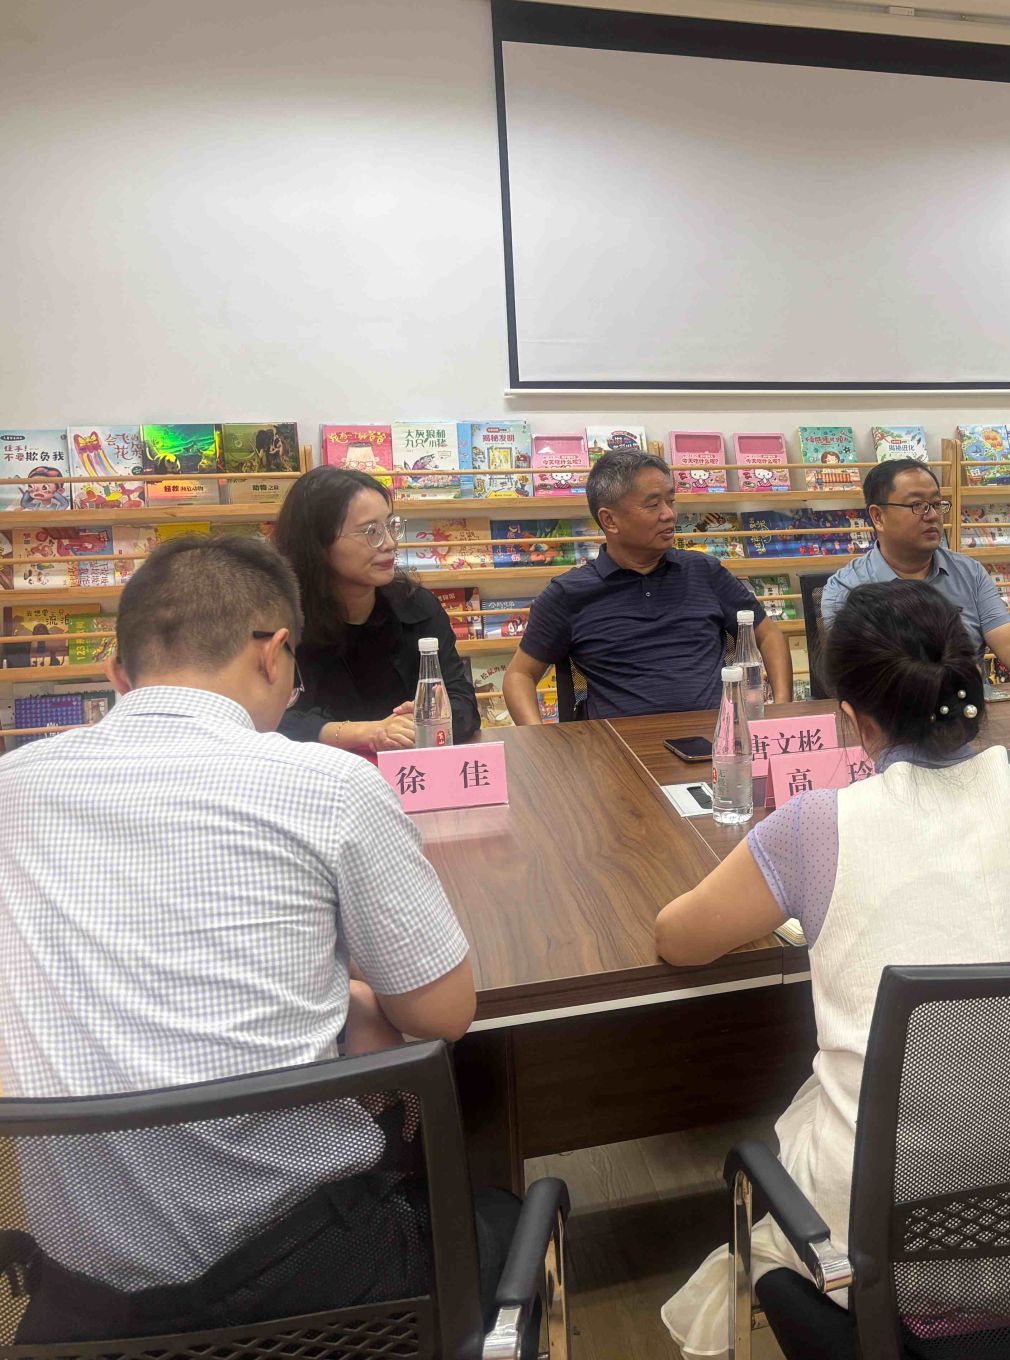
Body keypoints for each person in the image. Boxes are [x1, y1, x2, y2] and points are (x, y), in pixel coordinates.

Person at [0, 535, 478, 1340]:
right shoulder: (326, 784)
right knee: (485, 1214)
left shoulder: (11, 789)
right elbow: (444, 1013)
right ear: (274, 653)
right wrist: (349, 997)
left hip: (82, 1310)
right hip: (320, 1284)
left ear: (118, 673)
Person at [652, 580, 1010, 1356]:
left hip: (879, 1245)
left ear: (856, 719)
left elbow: (680, 938)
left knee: (812, 1116)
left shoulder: (818, 825)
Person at [504, 448, 793, 722]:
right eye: (653, 505)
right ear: (610, 520)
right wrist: (539, 741)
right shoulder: (568, 594)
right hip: (619, 748)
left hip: (716, 739)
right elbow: (519, 676)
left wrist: (782, 710)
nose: (669, 514)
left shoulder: (704, 571)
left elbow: (768, 635)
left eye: (671, 501)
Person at [272, 465, 480, 750]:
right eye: (371, 531)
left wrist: (428, 718)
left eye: (391, 526)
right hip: (318, 772)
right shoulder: (280, 618)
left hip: (410, 767)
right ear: (318, 543)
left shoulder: (417, 606)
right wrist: (361, 733)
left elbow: (463, 702)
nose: (390, 543)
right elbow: (267, 720)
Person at [821, 459, 1010, 687]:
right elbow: (855, 676)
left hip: (968, 712)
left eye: (936, 504)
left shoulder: (970, 573)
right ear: (878, 517)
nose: (932, 516)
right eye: (918, 505)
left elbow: (1009, 641)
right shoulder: (846, 588)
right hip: (892, 715)